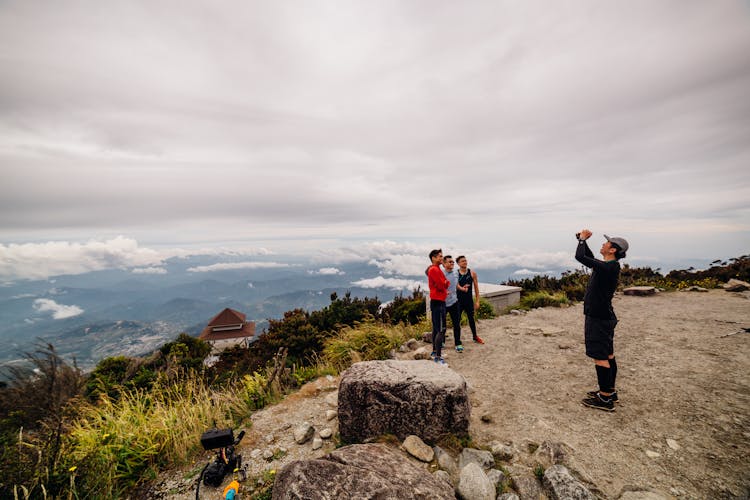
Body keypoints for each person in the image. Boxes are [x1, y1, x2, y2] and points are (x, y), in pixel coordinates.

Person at [575, 229, 629, 411]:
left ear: (612, 250)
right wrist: (582, 242)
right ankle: (609, 391)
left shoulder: (608, 267)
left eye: (607, 243)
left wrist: (582, 240)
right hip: (604, 316)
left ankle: (605, 399)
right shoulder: (608, 266)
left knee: (600, 357)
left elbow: (580, 257)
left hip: (598, 318)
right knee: (608, 355)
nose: (604, 244)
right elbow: (588, 258)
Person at [427, 249, 449, 365]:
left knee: (436, 328)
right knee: (441, 329)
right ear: (434, 258)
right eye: (440, 256)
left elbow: (444, 283)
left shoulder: (435, 269)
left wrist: (445, 284)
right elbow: (442, 285)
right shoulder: (434, 270)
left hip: (438, 301)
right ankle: (438, 358)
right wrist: (445, 284)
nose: (442, 258)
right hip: (438, 302)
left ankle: (435, 352)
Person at [456, 255, 484, 344]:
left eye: (465, 260)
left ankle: (475, 337)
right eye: (462, 261)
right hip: (458, 301)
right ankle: (458, 340)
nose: (465, 262)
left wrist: (477, 301)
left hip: (468, 300)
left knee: (471, 319)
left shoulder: (472, 273)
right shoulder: (455, 274)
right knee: (457, 321)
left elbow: (476, 288)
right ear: (458, 263)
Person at [441, 255, 463, 352]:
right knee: (442, 325)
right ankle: (441, 342)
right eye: (450, 262)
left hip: (454, 302)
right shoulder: (440, 274)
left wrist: (462, 288)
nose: (452, 263)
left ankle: (458, 343)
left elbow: (456, 284)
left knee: (456, 324)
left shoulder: (456, 272)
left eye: (453, 262)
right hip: (443, 303)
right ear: (444, 264)